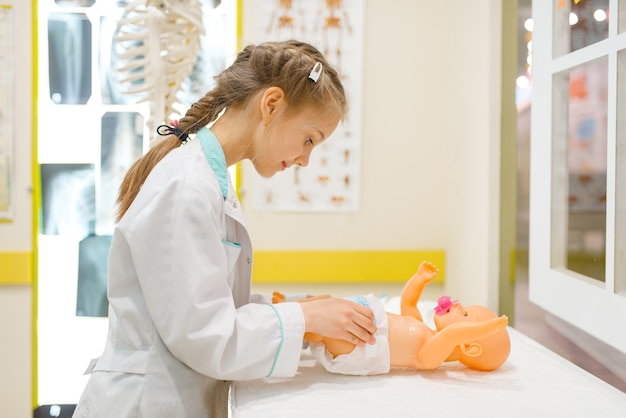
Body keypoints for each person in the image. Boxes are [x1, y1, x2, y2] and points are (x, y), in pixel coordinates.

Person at [73, 40, 377, 418]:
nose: (305, 159)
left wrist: (300, 310)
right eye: (309, 139)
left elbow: (211, 304)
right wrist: (307, 319)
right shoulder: (187, 187)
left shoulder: (206, 180)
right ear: (271, 105)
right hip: (144, 403)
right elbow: (206, 336)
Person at [279, 261, 510, 375]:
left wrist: (487, 329)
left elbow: (451, 335)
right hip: (364, 324)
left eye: (465, 313)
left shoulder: (429, 358)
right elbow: (408, 303)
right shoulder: (423, 329)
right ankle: (287, 311)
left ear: (469, 346)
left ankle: (285, 327)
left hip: (362, 346)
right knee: (326, 303)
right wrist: (420, 279)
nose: (457, 304)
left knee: (321, 330)